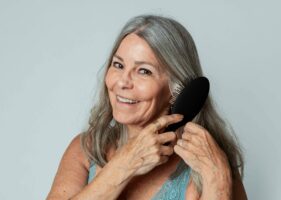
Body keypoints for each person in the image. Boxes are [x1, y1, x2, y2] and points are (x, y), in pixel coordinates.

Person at [47, 15, 247, 200]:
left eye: (144, 71)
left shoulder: (206, 165)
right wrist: (123, 165)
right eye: (118, 65)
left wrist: (218, 182)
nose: (123, 82)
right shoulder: (86, 149)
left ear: (177, 88)